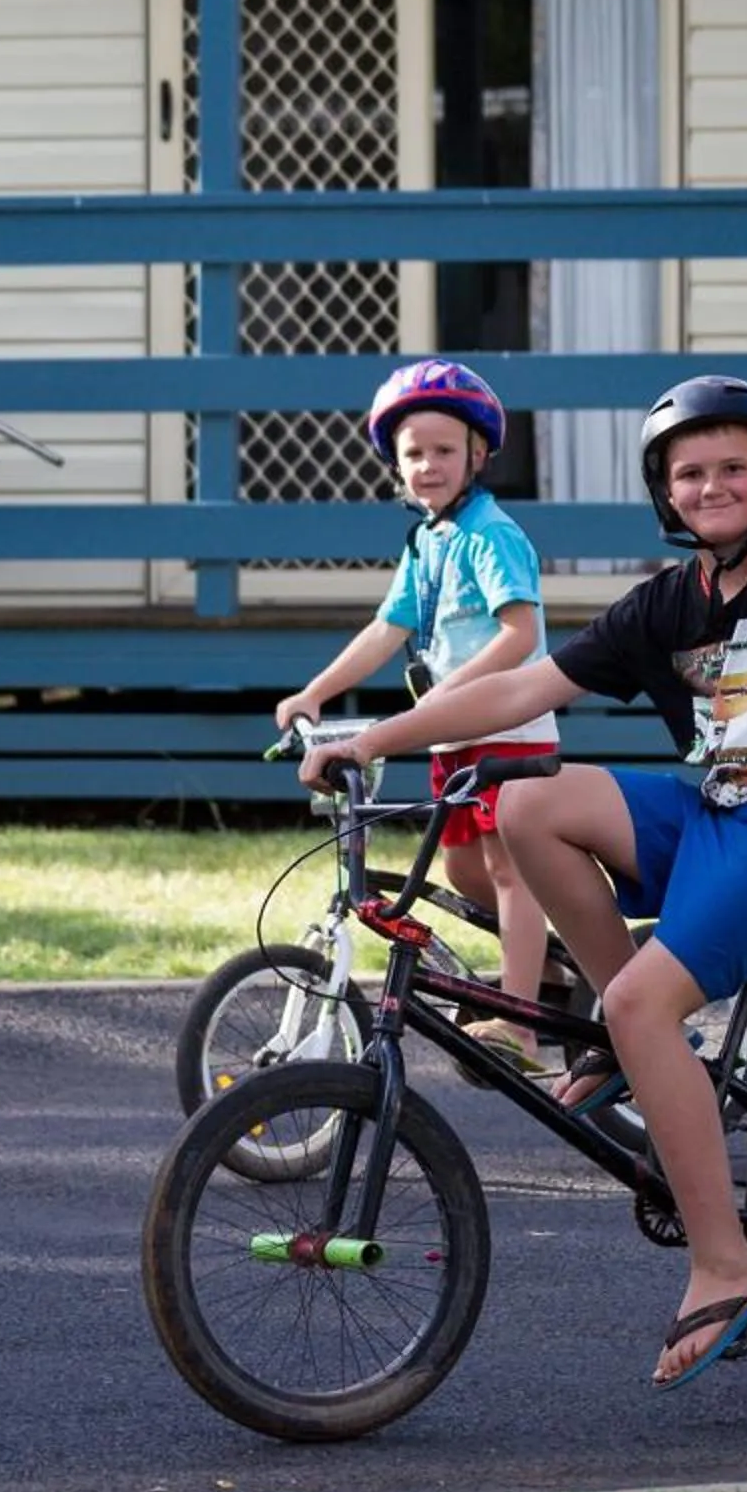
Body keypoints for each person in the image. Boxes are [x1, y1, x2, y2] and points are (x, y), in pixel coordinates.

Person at [299, 374, 747, 1390]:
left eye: (734, 466)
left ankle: (727, 1258)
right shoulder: (667, 603)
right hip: (720, 816)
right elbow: (520, 686)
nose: (712, 485)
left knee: (649, 999)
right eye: (690, 472)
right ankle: (623, 1027)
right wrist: (369, 734)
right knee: (529, 803)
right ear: (666, 490)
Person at [275, 359, 560, 1072]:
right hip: (452, 734)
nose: (427, 466)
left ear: (478, 454)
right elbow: (386, 630)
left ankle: (520, 1024)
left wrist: (446, 696)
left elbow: (520, 634)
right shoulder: (427, 541)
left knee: (507, 872)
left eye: (442, 450)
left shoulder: (489, 535)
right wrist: (316, 691)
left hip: (506, 730)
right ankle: (553, 970)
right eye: (413, 454)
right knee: (464, 869)